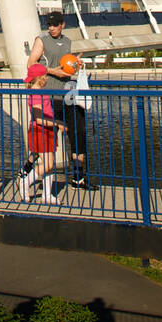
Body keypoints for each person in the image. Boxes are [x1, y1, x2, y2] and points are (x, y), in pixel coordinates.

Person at [28, 11, 95, 189]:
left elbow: (68, 65)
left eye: (55, 25)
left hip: (68, 95)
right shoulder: (41, 40)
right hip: (50, 97)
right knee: (45, 138)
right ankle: (26, 171)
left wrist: (75, 64)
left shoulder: (67, 41)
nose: (51, 28)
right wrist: (52, 71)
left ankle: (79, 178)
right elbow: (31, 64)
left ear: (62, 25)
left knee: (77, 134)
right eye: (49, 25)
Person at [18, 63, 58, 204]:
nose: (47, 78)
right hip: (40, 130)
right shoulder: (36, 94)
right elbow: (39, 118)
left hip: (47, 130)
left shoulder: (40, 91)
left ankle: (47, 195)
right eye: (45, 76)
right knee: (48, 164)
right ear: (40, 78)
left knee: (50, 164)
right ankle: (25, 182)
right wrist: (57, 123)